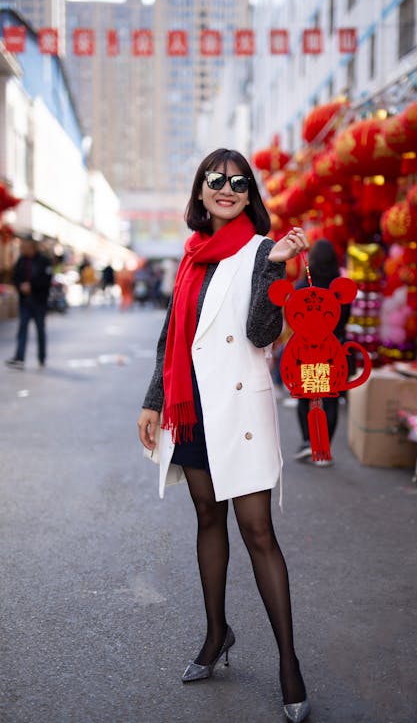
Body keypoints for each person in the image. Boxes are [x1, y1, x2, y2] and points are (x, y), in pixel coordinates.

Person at [137, 148, 311, 723]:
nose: (227, 188)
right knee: (207, 517)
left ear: (248, 193)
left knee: (258, 531)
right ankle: (217, 636)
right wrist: (153, 400)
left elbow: (261, 332)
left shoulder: (261, 250)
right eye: (217, 180)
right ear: (201, 191)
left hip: (237, 407)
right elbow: (173, 337)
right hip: (191, 411)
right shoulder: (190, 256)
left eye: (238, 182)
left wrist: (273, 267)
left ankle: (289, 662)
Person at [293, 238, 351, 466]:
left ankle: (308, 442)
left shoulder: (304, 286)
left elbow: (294, 318)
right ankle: (323, 449)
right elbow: (345, 318)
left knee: (306, 397)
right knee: (330, 399)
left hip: (309, 349)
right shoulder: (341, 286)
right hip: (334, 348)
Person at [5, 235, 52, 369]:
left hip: (39, 301)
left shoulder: (44, 261)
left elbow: (47, 280)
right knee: (22, 328)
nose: (23, 249)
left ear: (32, 247)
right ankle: (19, 357)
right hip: (25, 301)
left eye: (25, 246)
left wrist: (32, 285)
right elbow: (15, 277)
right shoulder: (21, 260)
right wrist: (21, 286)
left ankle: (42, 357)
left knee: (40, 330)